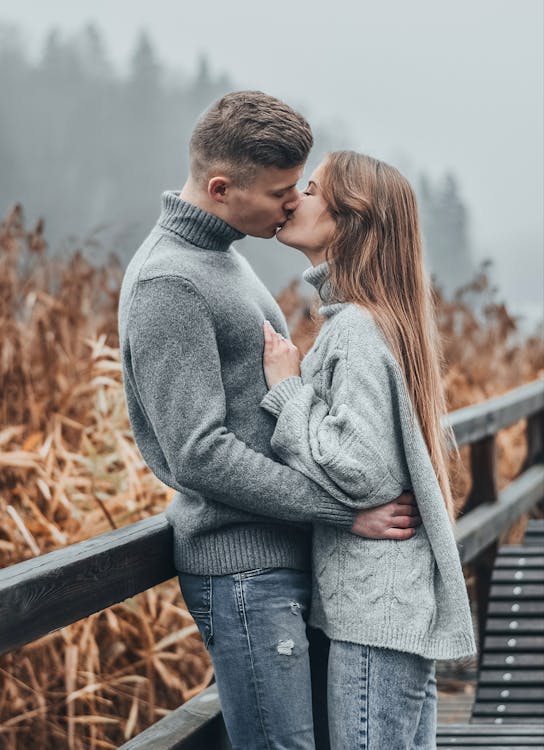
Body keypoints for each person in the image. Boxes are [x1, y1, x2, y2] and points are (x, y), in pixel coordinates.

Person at [118, 92, 421, 749]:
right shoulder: (169, 284)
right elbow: (200, 455)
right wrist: (343, 510)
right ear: (222, 188)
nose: (294, 203)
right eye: (283, 191)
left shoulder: (226, 258)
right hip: (242, 572)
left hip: (283, 560)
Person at [260, 150, 477, 749]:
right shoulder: (373, 321)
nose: (293, 198)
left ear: (348, 219)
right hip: (391, 610)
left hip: (376, 618)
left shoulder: (354, 328)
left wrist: (287, 392)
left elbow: (362, 472)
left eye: (311, 188)